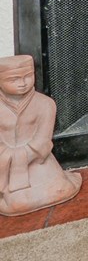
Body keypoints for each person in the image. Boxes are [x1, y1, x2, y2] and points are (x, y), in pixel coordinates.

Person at [0, 55, 81, 216]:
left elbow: (43, 140)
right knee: (16, 205)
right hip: (5, 163)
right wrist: (9, 157)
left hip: (38, 160)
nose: (22, 83)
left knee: (60, 190)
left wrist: (23, 156)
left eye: (28, 76)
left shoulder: (45, 104)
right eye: (14, 79)